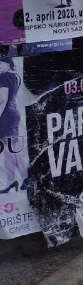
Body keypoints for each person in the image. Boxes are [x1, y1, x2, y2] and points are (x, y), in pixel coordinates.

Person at [0, 56, 24, 193]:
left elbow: (2, 101)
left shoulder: (3, 77)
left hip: (5, 116)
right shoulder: (15, 76)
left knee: (8, 151)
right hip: (12, 113)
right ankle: (22, 179)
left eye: (0, 62)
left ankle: (11, 181)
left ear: (8, 63)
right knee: (12, 149)